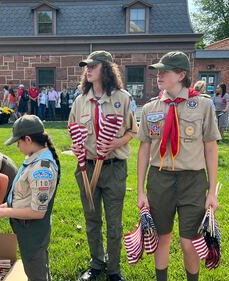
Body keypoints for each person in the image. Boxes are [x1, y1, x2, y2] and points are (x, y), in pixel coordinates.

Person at [137, 51, 221, 281]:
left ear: (182, 74)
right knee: (162, 236)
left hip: (192, 181)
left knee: (189, 242)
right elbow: (144, 150)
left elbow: (211, 147)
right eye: (158, 71)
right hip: (159, 178)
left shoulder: (202, 105)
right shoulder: (150, 109)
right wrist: (140, 190)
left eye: (165, 71)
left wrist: (211, 191)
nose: (159, 75)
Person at [69, 50, 138, 281]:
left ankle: (114, 268)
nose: (87, 70)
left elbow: (132, 131)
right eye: (86, 66)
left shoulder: (123, 98)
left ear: (106, 69)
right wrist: (76, 147)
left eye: (93, 66)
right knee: (92, 219)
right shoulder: (80, 101)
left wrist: (117, 142)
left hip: (114, 168)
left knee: (114, 222)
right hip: (86, 168)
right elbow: (73, 131)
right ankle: (97, 262)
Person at [0, 115, 60, 281]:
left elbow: (37, 212)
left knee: (35, 271)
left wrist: (4, 214)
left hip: (33, 230)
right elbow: (24, 195)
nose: (18, 147)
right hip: (27, 228)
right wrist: (5, 206)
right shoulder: (34, 158)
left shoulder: (42, 168)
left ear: (28, 139)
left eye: (18, 142)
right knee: (35, 266)